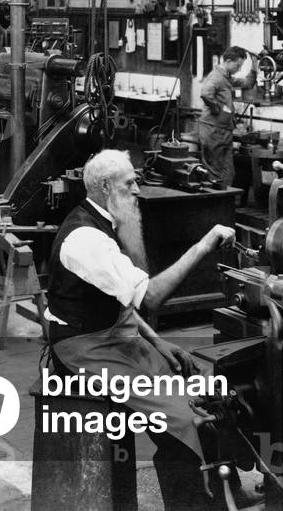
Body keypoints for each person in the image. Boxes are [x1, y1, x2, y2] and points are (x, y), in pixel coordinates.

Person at [44, 149, 235, 511]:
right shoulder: (86, 239)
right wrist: (204, 244)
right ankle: (195, 503)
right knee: (183, 422)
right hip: (84, 347)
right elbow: (151, 297)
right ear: (105, 186)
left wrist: (158, 342)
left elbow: (124, 301)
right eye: (129, 183)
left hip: (115, 333)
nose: (137, 190)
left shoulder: (102, 223)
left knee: (194, 387)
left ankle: (222, 489)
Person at [198, 46, 257, 187]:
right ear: (229, 61)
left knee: (228, 173)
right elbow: (205, 93)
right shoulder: (216, 77)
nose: (239, 69)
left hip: (224, 131)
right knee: (214, 172)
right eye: (238, 65)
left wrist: (254, 64)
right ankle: (214, 204)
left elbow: (247, 82)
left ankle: (225, 202)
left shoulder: (227, 78)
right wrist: (216, 108)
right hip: (213, 131)